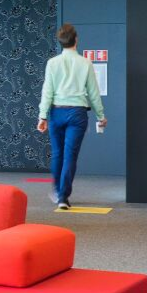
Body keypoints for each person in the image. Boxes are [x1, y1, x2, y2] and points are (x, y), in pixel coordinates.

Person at [37, 23, 107, 210]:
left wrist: (42, 116)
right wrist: (101, 116)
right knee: (70, 156)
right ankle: (63, 197)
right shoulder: (85, 63)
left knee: (57, 154)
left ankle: (57, 190)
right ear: (76, 40)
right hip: (77, 113)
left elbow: (47, 91)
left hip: (56, 112)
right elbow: (93, 93)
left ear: (60, 41)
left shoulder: (52, 63)